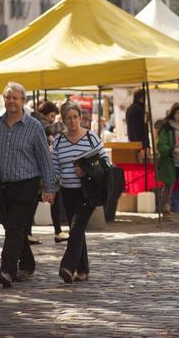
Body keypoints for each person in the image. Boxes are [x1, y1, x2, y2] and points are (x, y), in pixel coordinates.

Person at [0, 82, 57, 288]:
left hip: (27, 183)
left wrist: (49, 187)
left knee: (15, 226)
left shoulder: (34, 127)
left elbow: (44, 158)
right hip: (3, 184)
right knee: (12, 226)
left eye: (15, 98)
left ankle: (6, 270)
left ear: (23, 101)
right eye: (8, 97)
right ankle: (27, 262)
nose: (11, 101)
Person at [52, 101, 108, 282]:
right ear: (63, 120)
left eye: (75, 117)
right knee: (77, 229)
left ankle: (68, 266)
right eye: (68, 118)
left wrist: (86, 170)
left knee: (76, 229)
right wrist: (50, 189)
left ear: (80, 118)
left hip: (88, 192)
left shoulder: (91, 138)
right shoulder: (59, 141)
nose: (72, 121)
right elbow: (55, 168)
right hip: (67, 192)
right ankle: (83, 269)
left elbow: (106, 163)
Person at [34, 100, 68, 243]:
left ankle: (57, 231)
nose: (53, 119)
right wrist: (62, 124)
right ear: (45, 114)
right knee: (36, 199)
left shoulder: (36, 120)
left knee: (51, 197)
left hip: (43, 167)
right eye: (52, 116)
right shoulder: (38, 121)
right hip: (40, 168)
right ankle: (57, 231)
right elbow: (48, 130)